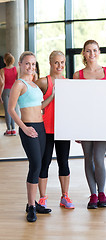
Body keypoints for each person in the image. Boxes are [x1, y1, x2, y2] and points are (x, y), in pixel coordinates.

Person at [8, 51, 52, 222]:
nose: (31, 67)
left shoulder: (33, 84)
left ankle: (33, 203)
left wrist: (53, 95)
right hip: (29, 127)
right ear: (20, 64)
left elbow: (40, 106)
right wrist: (25, 128)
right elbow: (11, 109)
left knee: (40, 165)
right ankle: (31, 206)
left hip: (40, 127)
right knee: (35, 165)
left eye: (33, 64)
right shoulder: (19, 84)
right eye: (27, 63)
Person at [73, 40, 106, 209]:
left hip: (103, 122)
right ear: (84, 53)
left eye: (95, 50)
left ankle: (102, 192)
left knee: (99, 158)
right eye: (88, 51)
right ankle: (93, 195)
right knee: (87, 158)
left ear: (99, 52)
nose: (92, 54)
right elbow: (75, 103)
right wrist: (74, 127)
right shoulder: (78, 75)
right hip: (84, 122)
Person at [35, 50, 74, 209]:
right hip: (46, 129)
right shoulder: (44, 82)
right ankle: (42, 198)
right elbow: (30, 95)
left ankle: (65, 196)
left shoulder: (67, 82)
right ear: (50, 63)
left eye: (62, 62)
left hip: (63, 129)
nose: (59, 65)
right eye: (56, 62)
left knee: (63, 162)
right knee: (45, 163)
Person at [0, 53, 18, 136]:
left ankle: (8, 130)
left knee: (7, 111)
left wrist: (0, 95)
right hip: (14, 91)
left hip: (6, 91)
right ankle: (14, 129)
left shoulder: (2, 70)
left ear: (4, 60)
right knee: (12, 110)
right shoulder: (16, 69)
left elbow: (2, 83)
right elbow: (18, 82)